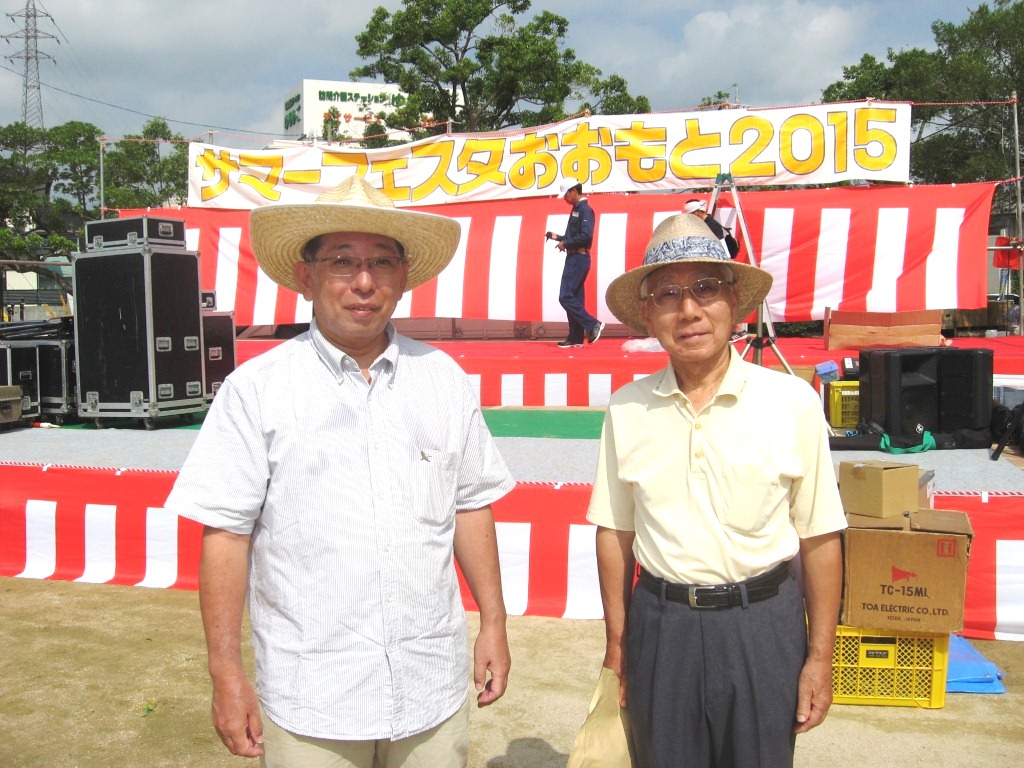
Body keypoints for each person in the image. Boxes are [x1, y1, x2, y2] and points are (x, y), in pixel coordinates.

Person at [164, 175, 516, 768]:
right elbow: (225, 536)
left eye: (382, 262)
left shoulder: (445, 381)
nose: (364, 281)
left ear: (404, 277)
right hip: (312, 698)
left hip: (429, 682)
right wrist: (226, 674)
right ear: (304, 277)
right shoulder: (256, 390)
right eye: (342, 262)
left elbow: (470, 504)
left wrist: (495, 624)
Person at [587, 213, 846, 768]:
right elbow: (614, 532)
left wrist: (819, 657)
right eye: (668, 294)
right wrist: (619, 643)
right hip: (663, 625)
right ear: (649, 314)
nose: (689, 310)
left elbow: (820, 537)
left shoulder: (791, 402)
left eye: (706, 288)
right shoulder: (627, 407)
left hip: (764, 625)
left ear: (734, 301)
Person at [545, 179, 605, 348]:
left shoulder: (584, 210)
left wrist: (567, 244)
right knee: (575, 298)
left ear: (573, 191)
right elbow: (574, 237)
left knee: (565, 296)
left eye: (566, 194)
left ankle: (593, 325)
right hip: (576, 257)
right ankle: (576, 337)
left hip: (578, 259)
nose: (564, 198)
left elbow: (586, 237)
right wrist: (557, 237)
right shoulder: (577, 210)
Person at [685, 198, 747, 343]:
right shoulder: (709, 224)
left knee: (724, 298)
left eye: (692, 214)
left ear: (700, 212)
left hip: (722, 266)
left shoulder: (712, 227)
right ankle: (732, 328)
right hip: (719, 266)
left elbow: (723, 251)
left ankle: (738, 328)